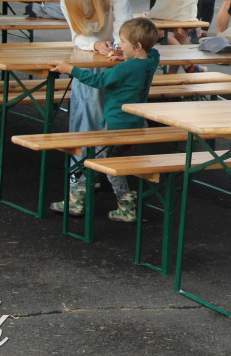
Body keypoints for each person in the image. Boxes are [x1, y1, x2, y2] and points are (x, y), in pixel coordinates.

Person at [47, 17, 161, 222]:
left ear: (137, 46)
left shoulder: (125, 69)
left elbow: (98, 81)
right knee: (99, 161)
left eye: (123, 43)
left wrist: (70, 69)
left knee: (104, 164)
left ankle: (123, 206)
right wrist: (128, 57)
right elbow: (153, 51)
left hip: (117, 123)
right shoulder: (151, 61)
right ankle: (80, 199)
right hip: (135, 122)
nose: (119, 45)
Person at [48, 0, 133, 215]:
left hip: (117, 60)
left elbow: (124, 22)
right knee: (84, 121)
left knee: (111, 125)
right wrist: (96, 45)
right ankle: (80, 182)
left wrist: (119, 47)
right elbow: (77, 35)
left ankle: (107, 183)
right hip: (88, 61)